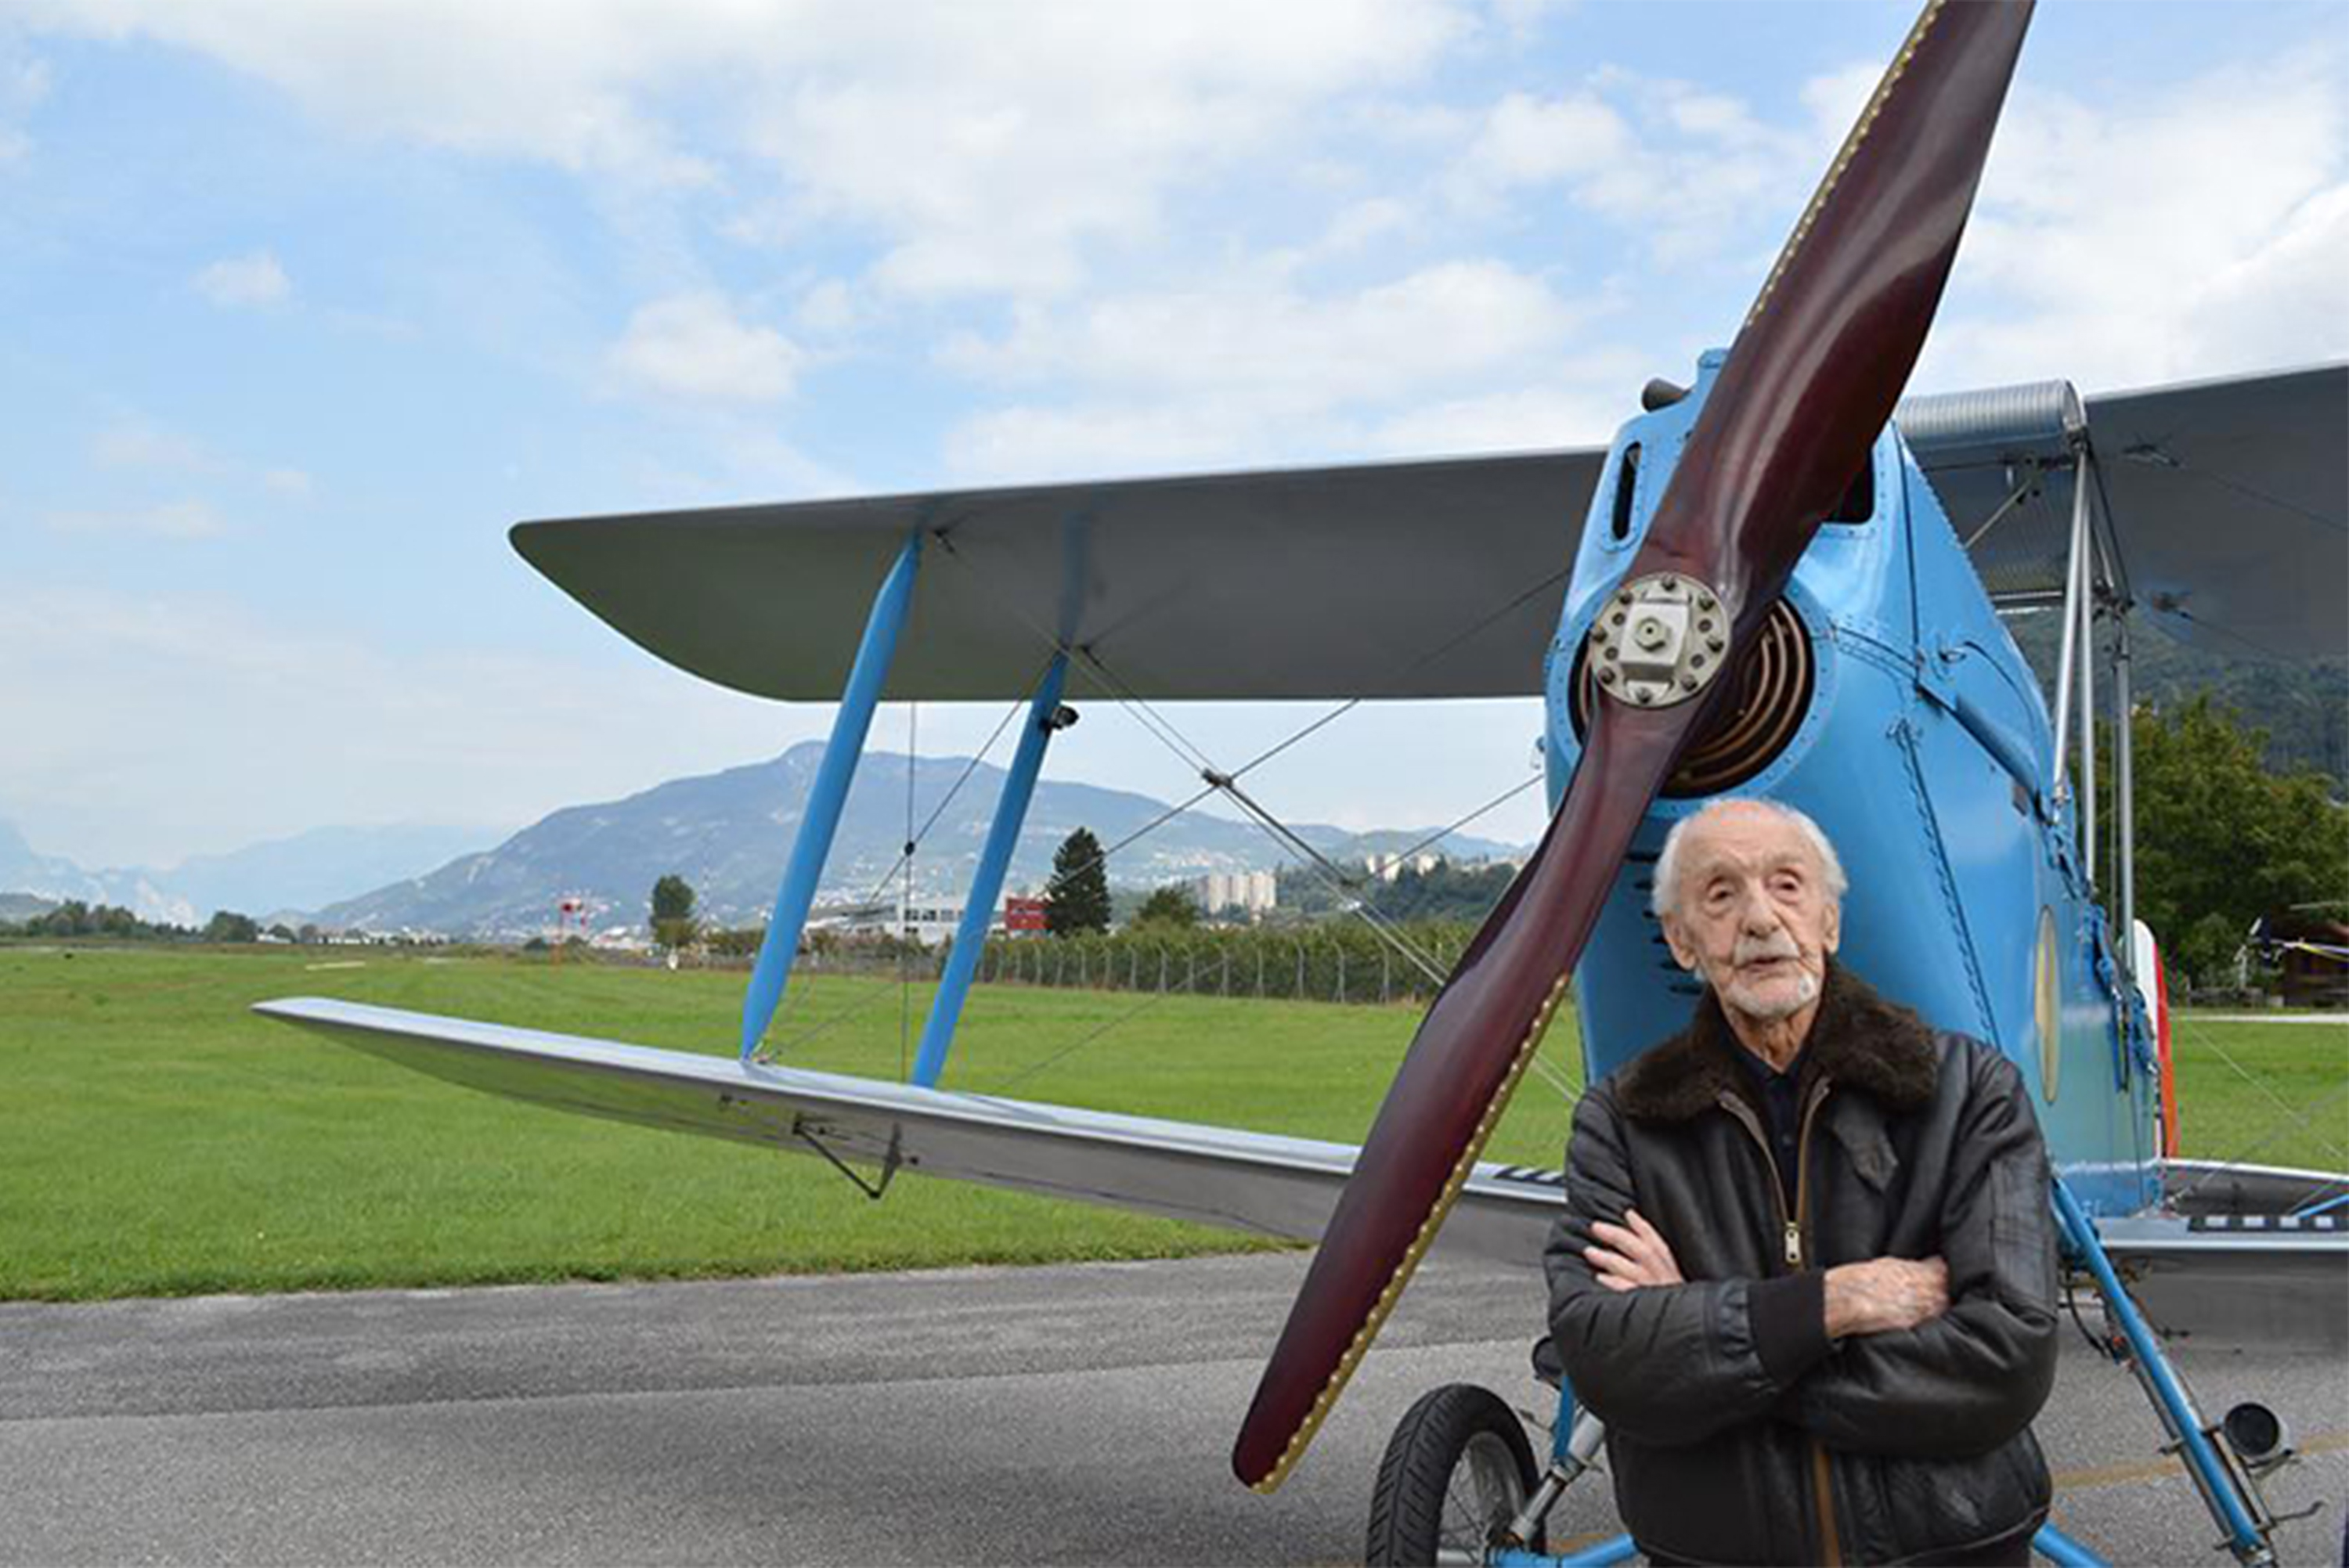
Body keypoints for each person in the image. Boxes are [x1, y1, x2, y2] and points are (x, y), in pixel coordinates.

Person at [1544, 797, 2058, 1566]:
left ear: (1829, 921)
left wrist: (1713, 1344)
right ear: (1682, 941)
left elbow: (2006, 1357)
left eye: (1787, 884)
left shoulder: (1970, 1087)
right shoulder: (1621, 1117)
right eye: (1720, 894)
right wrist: (1837, 1303)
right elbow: (1599, 1354)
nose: (1759, 918)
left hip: (1949, 1548)